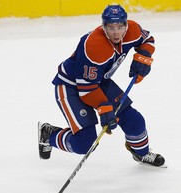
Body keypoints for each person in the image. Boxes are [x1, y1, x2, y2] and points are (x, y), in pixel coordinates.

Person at [38, 4, 165, 167]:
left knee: (134, 120)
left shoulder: (132, 29)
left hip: (98, 83)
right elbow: (87, 89)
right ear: (103, 26)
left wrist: (143, 56)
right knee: (84, 143)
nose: (116, 32)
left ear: (126, 24)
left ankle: (141, 153)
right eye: (111, 27)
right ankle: (49, 135)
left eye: (120, 26)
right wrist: (104, 108)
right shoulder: (94, 46)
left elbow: (147, 39)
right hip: (71, 86)